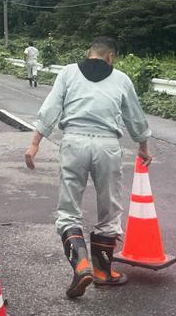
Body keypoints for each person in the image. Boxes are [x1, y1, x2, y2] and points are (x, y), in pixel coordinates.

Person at [23, 36, 152, 299]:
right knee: (109, 208)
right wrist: (143, 146)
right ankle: (103, 272)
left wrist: (34, 144)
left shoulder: (68, 73)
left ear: (88, 52)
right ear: (111, 57)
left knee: (69, 210)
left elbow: (51, 109)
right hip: (107, 146)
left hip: (74, 143)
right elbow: (135, 117)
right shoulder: (121, 79)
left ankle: (81, 264)